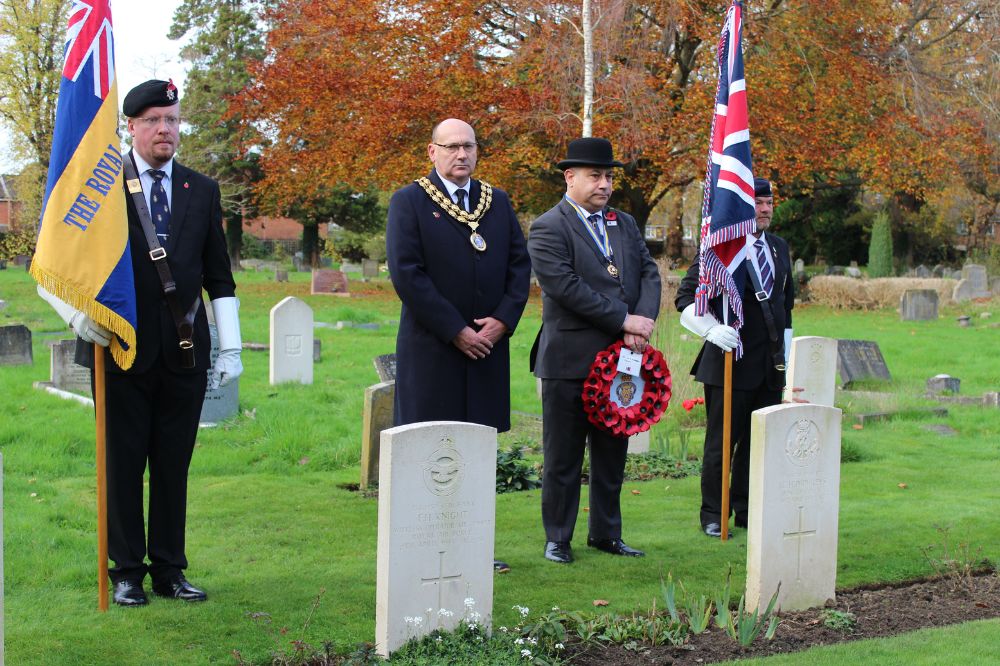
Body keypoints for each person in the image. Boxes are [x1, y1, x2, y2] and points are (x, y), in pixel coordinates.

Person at [38, 79, 242, 605]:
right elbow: (63, 257)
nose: (165, 130)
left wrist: (233, 346)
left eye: (172, 120)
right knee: (124, 464)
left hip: (184, 349)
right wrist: (77, 317)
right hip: (118, 347)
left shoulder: (202, 189)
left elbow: (219, 275)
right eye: (153, 120)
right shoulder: (99, 186)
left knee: (173, 466)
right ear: (131, 126)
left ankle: (170, 570)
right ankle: (126, 572)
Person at [385, 118, 531, 573]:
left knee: (477, 453)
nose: (461, 155)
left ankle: (474, 546)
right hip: (434, 352)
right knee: (431, 453)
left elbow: (518, 267)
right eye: (451, 147)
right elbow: (407, 275)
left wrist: (501, 323)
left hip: (487, 351)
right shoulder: (409, 201)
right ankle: (423, 547)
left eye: (468, 146)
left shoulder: (497, 201)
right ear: (432, 151)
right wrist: (456, 330)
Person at [527, 137, 661, 564]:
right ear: (570, 177)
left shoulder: (624, 223)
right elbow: (564, 287)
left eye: (608, 176)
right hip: (569, 360)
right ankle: (558, 538)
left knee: (610, 453)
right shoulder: (549, 226)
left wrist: (641, 323)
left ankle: (606, 533)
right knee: (563, 457)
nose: (604, 184)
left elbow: (649, 273)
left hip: (622, 359)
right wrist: (625, 320)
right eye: (594, 175)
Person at [674, 177, 793, 537]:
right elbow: (686, 298)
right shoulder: (720, 249)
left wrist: (788, 358)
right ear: (742, 206)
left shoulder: (778, 247)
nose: (766, 208)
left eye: (770, 202)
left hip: (768, 367)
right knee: (721, 445)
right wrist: (710, 329)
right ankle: (714, 513)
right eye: (758, 202)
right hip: (730, 362)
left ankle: (745, 509)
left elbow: (785, 306)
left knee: (758, 446)